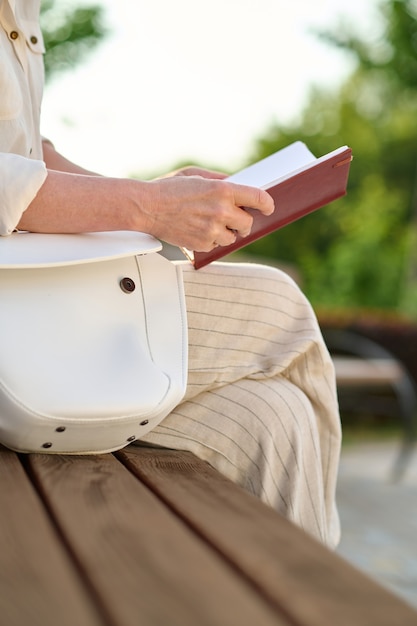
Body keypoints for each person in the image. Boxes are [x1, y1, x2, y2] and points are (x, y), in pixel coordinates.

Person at [0, 0, 342, 548]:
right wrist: (148, 208)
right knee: (279, 305)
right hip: (17, 307)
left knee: (273, 417)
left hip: (35, 302)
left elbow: (29, 153)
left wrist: (161, 196)